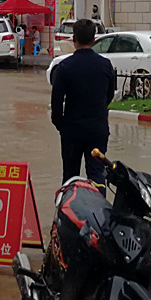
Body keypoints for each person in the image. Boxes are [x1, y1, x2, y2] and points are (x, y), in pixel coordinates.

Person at [50, 19, 117, 194]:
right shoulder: (105, 65)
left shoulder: (64, 67)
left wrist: (62, 126)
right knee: (97, 175)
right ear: (94, 40)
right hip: (97, 129)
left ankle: (68, 214)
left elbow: (56, 103)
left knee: (70, 176)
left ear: (74, 40)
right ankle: (100, 214)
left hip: (72, 130)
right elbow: (109, 95)